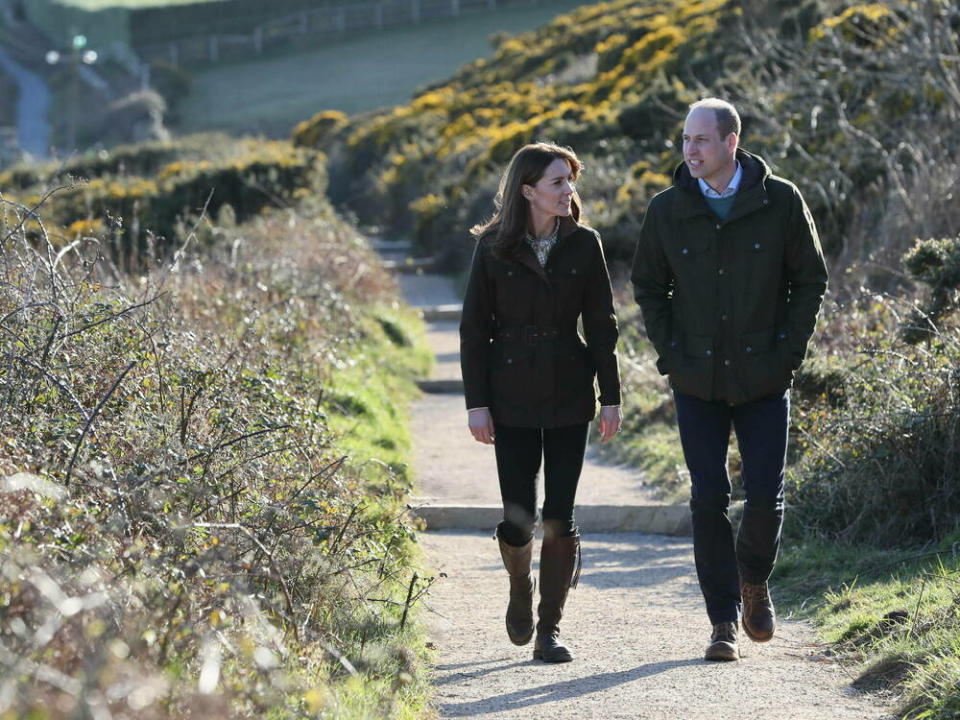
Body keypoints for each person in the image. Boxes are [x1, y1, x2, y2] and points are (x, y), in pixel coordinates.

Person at [630, 98, 828, 661]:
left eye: (701, 141)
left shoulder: (782, 200)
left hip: (765, 375)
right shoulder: (667, 210)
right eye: (685, 141)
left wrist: (786, 355)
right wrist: (672, 355)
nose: (689, 151)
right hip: (696, 380)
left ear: (731, 142)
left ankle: (754, 583)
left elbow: (810, 281)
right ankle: (722, 620)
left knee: (765, 494)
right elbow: (648, 287)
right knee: (708, 498)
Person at [459, 142, 622, 663]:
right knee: (518, 515)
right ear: (528, 190)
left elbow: (601, 327)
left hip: (570, 392)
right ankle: (517, 587)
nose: (568, 191)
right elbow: (472, 330)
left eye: (570, 181)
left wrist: (610, 396)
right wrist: (476, 403)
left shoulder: (586, 244)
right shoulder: (492, 247)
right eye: (557, 182)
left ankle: (549, 629)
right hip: (509, 396)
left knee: (560, 513)